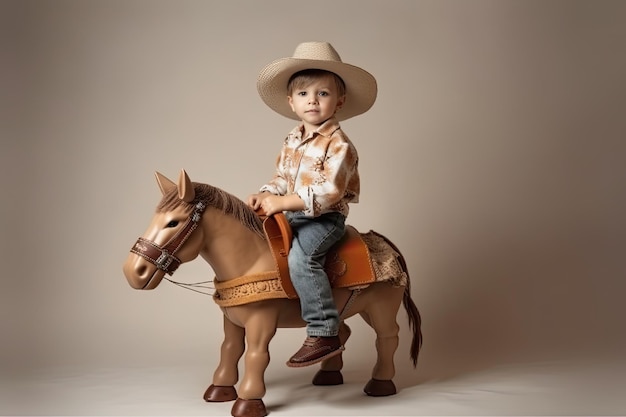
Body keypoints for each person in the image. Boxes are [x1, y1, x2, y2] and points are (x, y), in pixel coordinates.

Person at [248, 41, 377, 367]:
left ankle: (323, 331)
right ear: (291, 102)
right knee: (256, 251)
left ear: (339, 101)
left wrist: (284, 202)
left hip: (323, 219)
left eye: (323, 93)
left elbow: (329, 191)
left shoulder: (340, 144)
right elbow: (282, 176)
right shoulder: (292, 138)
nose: (313, 101)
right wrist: (265, 194)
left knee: (302, 259)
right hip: (291, 214)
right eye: (304, 94)